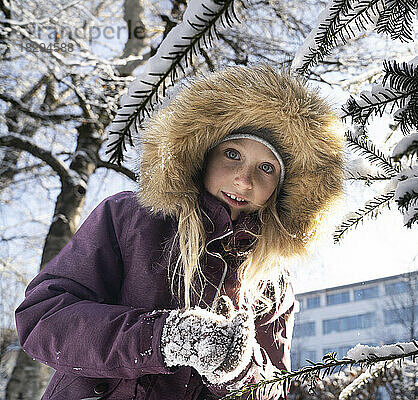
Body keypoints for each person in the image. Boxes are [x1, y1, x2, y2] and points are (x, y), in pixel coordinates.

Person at [14, 65, 345, 399]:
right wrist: (163, 338)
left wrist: (239, 371)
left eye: (266, 168)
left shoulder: (272, 282)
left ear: (282, 186)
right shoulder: (130, 218)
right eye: (232, 154)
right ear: (202, 155)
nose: (244, 180)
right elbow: (44, 319)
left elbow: (272, 388)